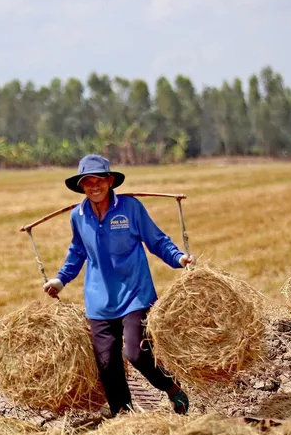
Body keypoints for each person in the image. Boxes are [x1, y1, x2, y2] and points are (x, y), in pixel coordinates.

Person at [43, 154, 192, 416]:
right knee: (107, 364)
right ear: (81, 186)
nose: (94, 186)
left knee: (136, 353)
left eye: (99, 180)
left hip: (136, 295)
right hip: (99, 302)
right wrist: (60, 279)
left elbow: (156, 240)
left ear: (110, 180)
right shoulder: (79, 216)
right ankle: (124, 417)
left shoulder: (130, 208)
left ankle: (171, 389)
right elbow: (78, 252)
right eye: (87, 182)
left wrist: (179, 258)